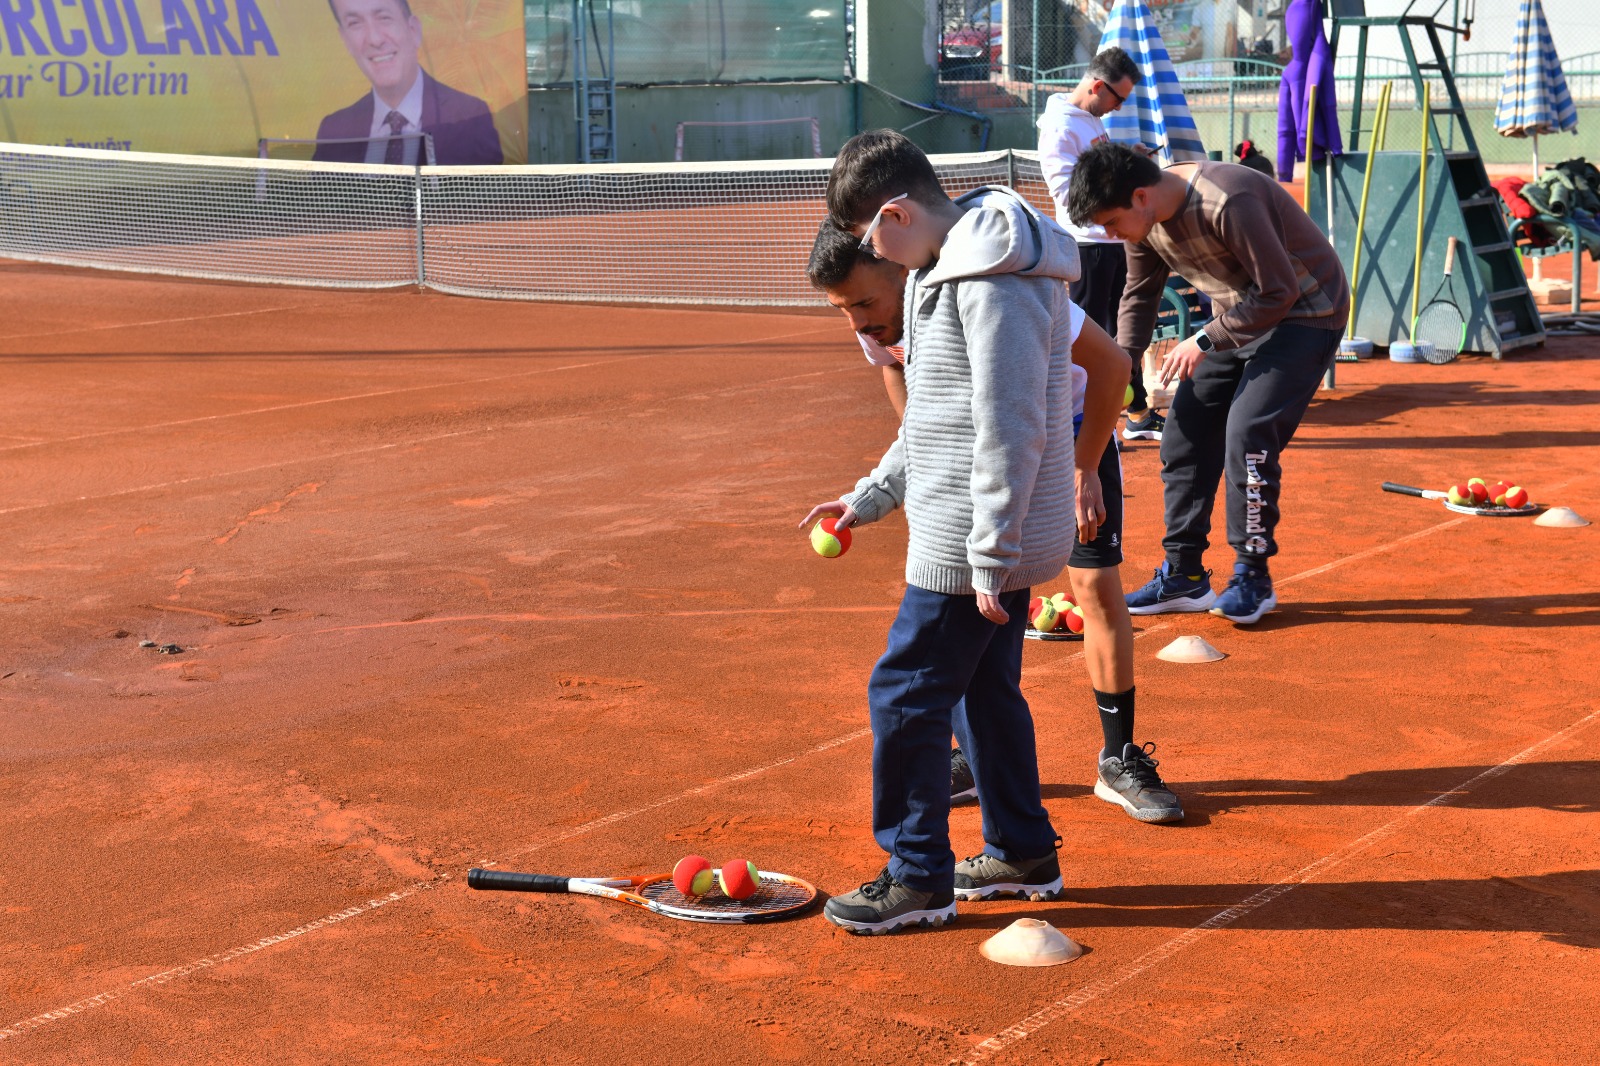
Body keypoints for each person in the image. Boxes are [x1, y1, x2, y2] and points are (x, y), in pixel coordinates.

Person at [800, 130, 1124, 935]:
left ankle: (917, 876)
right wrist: (865, 500)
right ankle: (1021, 850)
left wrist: (989, 556)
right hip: (987, 533)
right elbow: (937, 422)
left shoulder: (992, 283)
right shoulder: (951, 267)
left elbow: (1009, 425)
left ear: (897, 213)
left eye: (870, 237)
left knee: (904, 696)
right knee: (983, 690)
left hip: (974, 542)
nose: (873, 255)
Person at [807, 215, 1186, 828]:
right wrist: (887, 493)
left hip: (1070, 435)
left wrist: (1085, 468)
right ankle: (983, 766)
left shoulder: (1000, 294)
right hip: (985, 459)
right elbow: (921, 419)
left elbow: (1113, 370)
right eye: (843, 309)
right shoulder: (878, 316)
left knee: (1091, 588)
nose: (859, 322)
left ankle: (1119, 758)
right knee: (974, 631)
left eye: (865, 302)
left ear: (901, 268)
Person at [1068, 142, 1350, 625]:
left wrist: (1202, 340)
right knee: (1184, 436)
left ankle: (1252, 574)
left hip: (1307, 313)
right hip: (1239, 318)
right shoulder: (1145, 222)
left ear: (1140, 196)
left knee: (1248, 432)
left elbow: (1278, 291)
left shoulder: (1227, 200)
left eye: (1111, 222)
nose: (1111, 235)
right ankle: (1185, 575)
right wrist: (1125, 362)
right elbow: (1138, 295)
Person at [1037, 45, 1166, 443]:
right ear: (1097, 86)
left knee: (1121, 332)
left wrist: (1128, 159)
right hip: (1088, 247)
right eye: (1117, 98)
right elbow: (1067, 195)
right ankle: (1089, 424)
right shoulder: (1061, 126)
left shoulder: (1088, 119)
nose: (1118, 107)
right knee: (1093, 340)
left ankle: (1137, 412)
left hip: (1112, 240)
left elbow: (1096, 171)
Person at [314, 0, 503, 166]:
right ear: (345, 40)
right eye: (355, 23)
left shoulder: (469, 116)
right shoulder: (334, 129)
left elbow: (485, 201)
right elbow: (319, 203)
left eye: (384, 18)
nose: (375, 39)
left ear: (413, 30)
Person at [805, 220, 908, 419]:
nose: (856, 325)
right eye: (842, 307)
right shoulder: (874, 319)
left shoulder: (963, 302)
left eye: (866, 303)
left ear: (906, 271)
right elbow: (893, 364)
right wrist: (913, 436)